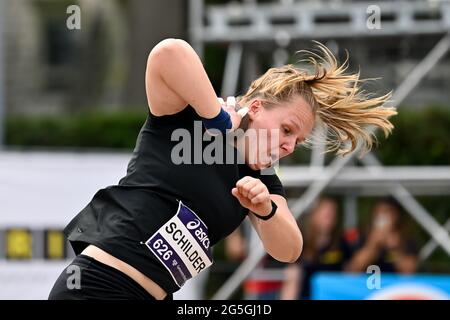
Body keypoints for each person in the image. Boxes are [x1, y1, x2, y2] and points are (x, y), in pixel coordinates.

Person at [48, 38, 396, 300]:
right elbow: (168, 52)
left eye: (297, 141)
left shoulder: (261, 181)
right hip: (98, 286)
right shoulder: (191, 121)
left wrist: (266, 209)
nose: (289, 146)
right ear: (257, 107)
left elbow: (289, 249)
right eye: (287, 130)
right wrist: (216, 118)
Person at [279, 197, 355, 300]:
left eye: (332, 214)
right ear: (314, 215)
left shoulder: (341, 241)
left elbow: (350, 270)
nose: (330, 217)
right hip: (308, 294)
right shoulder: (302, 240)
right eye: (326, 214)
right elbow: (292, 274)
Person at [346, 197, 418, 274]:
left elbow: (410, 271)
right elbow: (352, 270)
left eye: (387, 212)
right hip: (367, 284)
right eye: (378, 212)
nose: (382, 216)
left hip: (395, 285)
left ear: (396, 215)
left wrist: (394, 249)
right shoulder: (362, 236)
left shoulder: (406, 239)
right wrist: (372, 244)